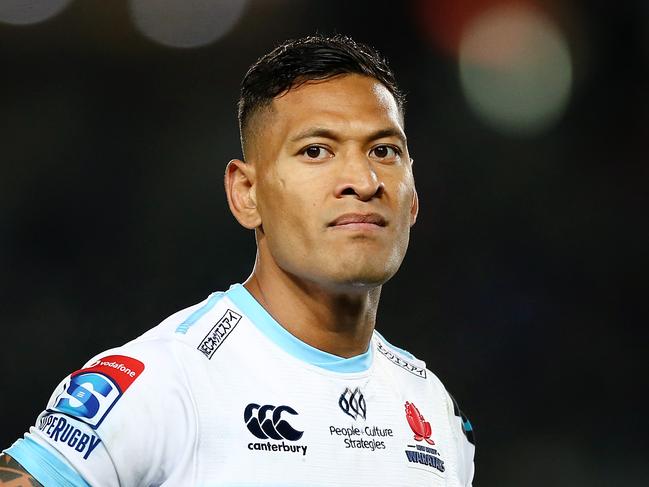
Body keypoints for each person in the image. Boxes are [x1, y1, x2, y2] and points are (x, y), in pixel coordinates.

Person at [1, 34, 475, 486]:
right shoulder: (162, 383)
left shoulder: (432, 407)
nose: (363, 179)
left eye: (384, 150)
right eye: (316, 151)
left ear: (413, 197)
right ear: (246, 194)